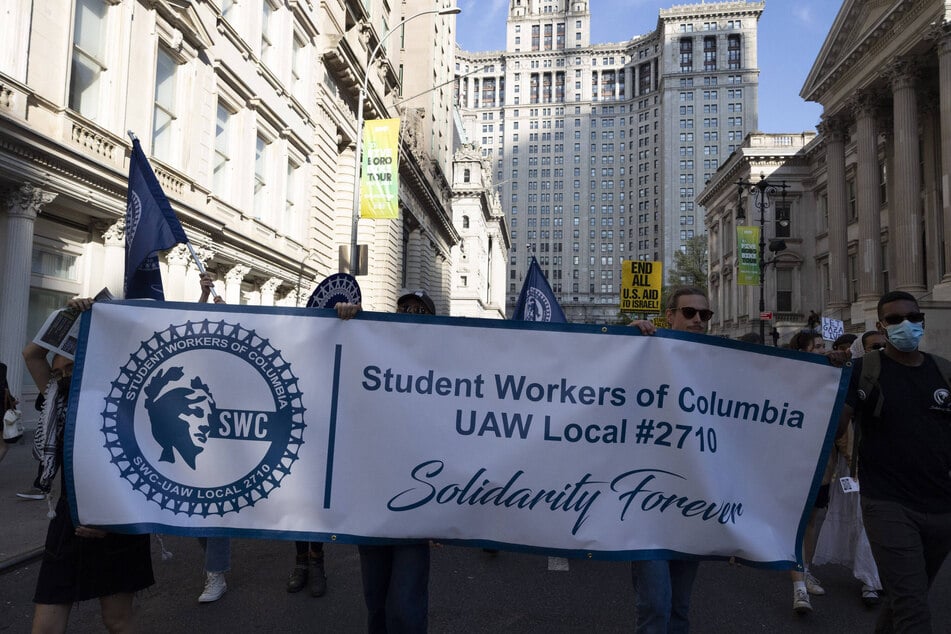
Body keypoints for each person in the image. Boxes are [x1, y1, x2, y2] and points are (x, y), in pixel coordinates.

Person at [24, 297, 154, 633]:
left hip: (118, 522)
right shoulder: (59, 399)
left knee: (117, 621)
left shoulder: (130, 407)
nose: (61, 373)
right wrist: (68, 315)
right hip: (71, 518)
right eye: (57, 370)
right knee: (45, 625)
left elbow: (146, 473)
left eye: (68, 367)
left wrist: (112, 520)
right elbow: (32, 355)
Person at [837, 290, 951, 631]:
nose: (907, 325)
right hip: (887, 503)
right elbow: (835, 426)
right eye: (896, 320)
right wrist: (828, 379)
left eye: (914, 318)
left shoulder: (943, 371)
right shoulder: (862, 371)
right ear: (881, 326)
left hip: (941, 506)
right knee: (913, 607)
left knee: (907, 597)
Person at [336, 289, 433, 633]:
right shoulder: (372, 353)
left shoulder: (442, 369)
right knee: (375, 602)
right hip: (372, 503)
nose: (411, 313)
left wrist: (447, 512)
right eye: (404, 307)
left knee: (405, 607)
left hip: (416, 509)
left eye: (420, 310)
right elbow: (336, 361)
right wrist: (348, 318)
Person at [627, 286, 711, 633]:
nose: (697, 320)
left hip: (691, 504)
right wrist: (627, 336)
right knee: (655, 604)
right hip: (646, 505)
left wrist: (825, 370)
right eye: (689, 313)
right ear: (669, 316)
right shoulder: (646, 352)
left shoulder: (720, 361)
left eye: (704, 315)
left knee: (679, 608)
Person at [194, 272, 231, 603]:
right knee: (192, 510)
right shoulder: (195, 352)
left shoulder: (233, 351)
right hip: (191, 435)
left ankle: (215, 573)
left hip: (224, 440)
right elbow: (185, 328)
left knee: (213, 509)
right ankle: (214, 565)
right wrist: (204, 299)